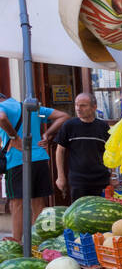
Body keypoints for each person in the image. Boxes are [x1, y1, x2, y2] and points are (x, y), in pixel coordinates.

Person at [0, 93, 69, 239]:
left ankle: (17, 243)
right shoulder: (31, 107)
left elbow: (1, 118)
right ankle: (42, 241)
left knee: (17, 203)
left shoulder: (3, 107)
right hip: (39, 159)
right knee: (38, 201)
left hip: (18, 160)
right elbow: (63, 116)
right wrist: (47, 134)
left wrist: (14, 137)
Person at [54, 92, 113, 201]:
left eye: (83, 105)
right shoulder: (69, 126)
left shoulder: (103, 127)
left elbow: (111, 152)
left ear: (94, 107)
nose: (78, 108)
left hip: (101, 179)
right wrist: (60, 176)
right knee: (78, 214)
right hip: (78, 180)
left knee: (101, 214)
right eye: (76, 105)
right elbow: (60, 151)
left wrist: (112, 175)